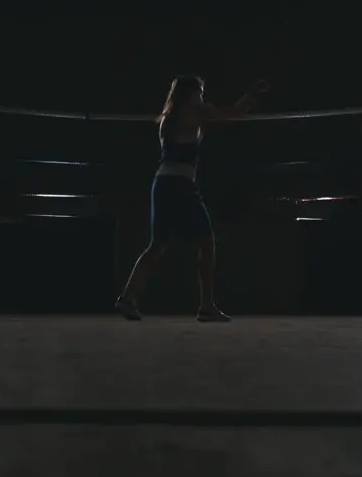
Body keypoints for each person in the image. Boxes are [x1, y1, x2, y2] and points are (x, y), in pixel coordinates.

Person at [115, 75, 271, 322]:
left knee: (157, 245)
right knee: (207, 243)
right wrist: (253, 94)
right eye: (199, 91)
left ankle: (127, 298)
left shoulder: (167, 118)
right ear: (189, 94)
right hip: (180, 185)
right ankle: (206, 305)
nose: (202, 96)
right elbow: (234, 113)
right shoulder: (194, 112)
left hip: (162, 183)